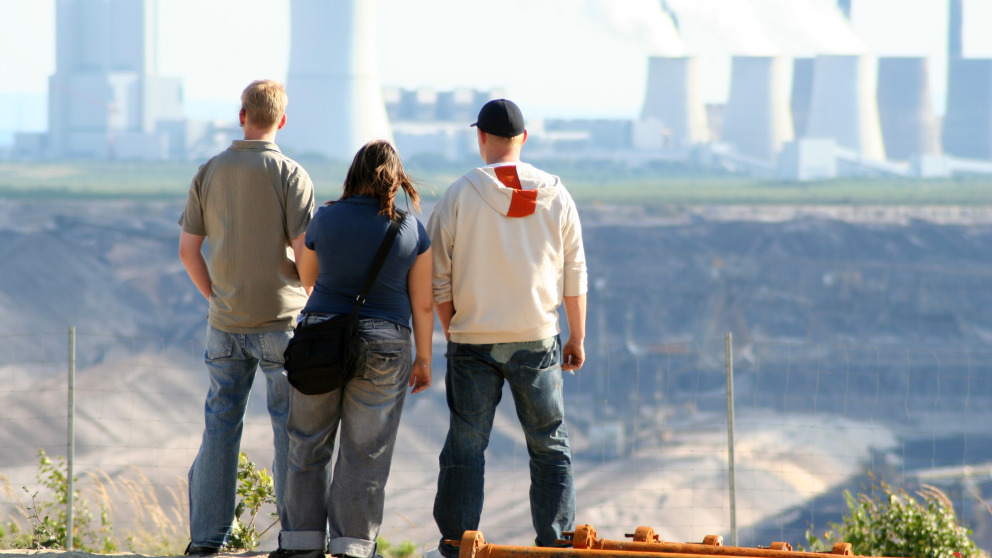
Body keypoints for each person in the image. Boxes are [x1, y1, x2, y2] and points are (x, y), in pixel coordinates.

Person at [426, 99, 588, 557]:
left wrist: (453, 329)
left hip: (472, 339)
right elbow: (574, 272)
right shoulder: (557, 193)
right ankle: (555, 544)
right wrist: (576, 335)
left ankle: (459, 544)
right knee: (549, 445)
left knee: (465, 447)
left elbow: (438, 276)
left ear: (481, 138)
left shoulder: (459, 194)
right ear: (525, 139)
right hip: (537, 336)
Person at [269, 139, 433, 558]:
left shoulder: (326, 219)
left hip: (322, 338)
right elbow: (423, 302)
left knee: (307, 442)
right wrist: (425, 360)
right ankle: (352, 548)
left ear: (353, 175)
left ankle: (301, 544)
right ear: (397, 180)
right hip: (386, 345)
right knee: (366, 452)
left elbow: (308, 278)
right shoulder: (411, 228)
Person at [178, 79, 315, 556]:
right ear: (281, 120)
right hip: (281, 321)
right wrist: (308, 293)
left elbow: (188, 250)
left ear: (241, 115)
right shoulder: (292, 174)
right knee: (290, 432)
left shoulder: (209, 171)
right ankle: (296, 540)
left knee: (220, 427)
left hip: (225, 323)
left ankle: (206, 541)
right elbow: (306, 255)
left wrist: (216, 295)